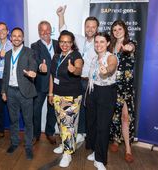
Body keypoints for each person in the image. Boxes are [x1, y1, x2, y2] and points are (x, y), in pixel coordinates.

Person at [57, 5, 99, 143]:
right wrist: (61, 15)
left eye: (93, 27)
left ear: (97, 29)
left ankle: (88, 134)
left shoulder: (99, 43)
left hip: (90, 81)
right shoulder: (79, 39)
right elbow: (64, 32)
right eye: (88, 26)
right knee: (76, 109)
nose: (90, 29)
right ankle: (79, 132)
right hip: (75, 80)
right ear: (85, 27)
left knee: (89, 109)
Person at [48, 30, 84, 168]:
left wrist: (74, 69)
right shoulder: (56, 56)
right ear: (59, 42)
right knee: (61, 123)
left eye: (68, 42)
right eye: (62, 41)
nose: (65, 44)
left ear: (72, 43)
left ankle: (67, 154)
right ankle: (65, 146)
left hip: (71, 96)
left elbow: (79, 69)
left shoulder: (76, 55)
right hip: (57, 95)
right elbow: (52, 76)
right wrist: (50, 94)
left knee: (68, 126)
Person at [1, 27, 37, 160]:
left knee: (28, 121)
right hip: (10, 91)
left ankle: (28, 147)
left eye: (19, 36)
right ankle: (14, 143)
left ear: (23, 38)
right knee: (13, 119)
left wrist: (33, 72)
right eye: (14, 36)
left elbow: (33, 65)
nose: (16, 38)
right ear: (11, 38)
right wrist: (3, 91)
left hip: (25, 92)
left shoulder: (30, 52)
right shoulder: (8, 54)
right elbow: (5, 73)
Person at [86, 32, 118, 170]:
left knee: (102, 127)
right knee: (92, 124)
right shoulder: (94, 59)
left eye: (102, 42)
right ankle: (95, 151)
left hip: (106, 93)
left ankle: (100, 159)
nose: (98, 44)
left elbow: (111, 67)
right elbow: (92, 78)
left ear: (108, 43)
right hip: (93, 92)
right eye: (96, 42)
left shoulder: (112, 57)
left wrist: (106, 71)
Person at [109, 20, 136, 163]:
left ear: (124, 30)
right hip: (112, 85)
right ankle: (115, 139)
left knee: (125, 117)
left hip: (125, 88)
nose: (117, 31)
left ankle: (128, 149)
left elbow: (131, 47)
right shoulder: (110, 46)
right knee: (114, 115)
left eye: (120, 29)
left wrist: (127, 47)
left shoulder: (131, 43)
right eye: (114, 30)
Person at [30, 21, 61, 145]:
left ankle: (49, 132)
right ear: (38, 32)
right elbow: (34, 61)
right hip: (40, 84)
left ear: (50, 30)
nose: (45, 32)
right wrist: (39, 66)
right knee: (35, 110)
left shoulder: (57, 44)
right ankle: (35, 135)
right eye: (42, 30)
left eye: (47, 29)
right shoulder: (34, 46)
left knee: (52, 109)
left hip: (56, 84)